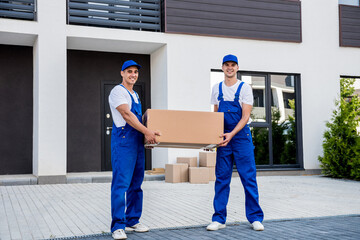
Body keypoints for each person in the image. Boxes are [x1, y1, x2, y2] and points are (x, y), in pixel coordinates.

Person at [207, 54, 264, 232]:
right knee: (222, 179)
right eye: (226, 65)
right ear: (222, 68)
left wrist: (231, 134)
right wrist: (213, 138)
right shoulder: (217, 88)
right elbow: (215, 116)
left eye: (233, 65)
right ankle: (219, 219)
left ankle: (255, 218)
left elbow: (246, 116)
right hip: (224, 139)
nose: (230, 68)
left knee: (248, 178)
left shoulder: (244, 88)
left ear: (237, 68)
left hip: (240, 138)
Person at [108, 60, 159, 240]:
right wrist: (147, 132)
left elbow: (141, 120)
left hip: (137, 142)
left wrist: (148, 136)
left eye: (135, 72)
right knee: (121, 184)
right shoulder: (118, 91)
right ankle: (117, 226)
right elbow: (127, 115)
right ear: (122, 73)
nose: (133, 74)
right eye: (129, 71)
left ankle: (132, 220)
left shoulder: (135, 94)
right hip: (123, 141)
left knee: (136, 184)